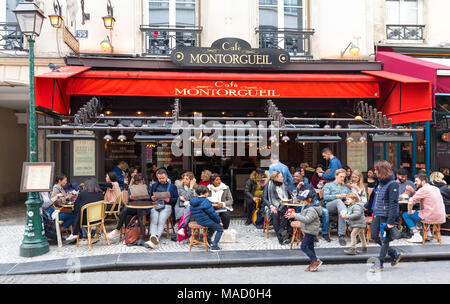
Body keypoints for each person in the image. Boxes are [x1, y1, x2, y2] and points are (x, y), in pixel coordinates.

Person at [369, 160, 403, 273]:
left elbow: (394, 203)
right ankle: (393, 253)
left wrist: (391, 221)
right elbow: (375, 196)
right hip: (377, 213)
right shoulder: (380, 182)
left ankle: (380, 263)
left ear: (382, 171)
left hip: (386, 215)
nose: (374, 172)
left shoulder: (392, 184)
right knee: (374, 236)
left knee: (385, 240)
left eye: (376, 170)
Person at [285, 189, 323, 272]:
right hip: (307, 229)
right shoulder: (306, 206)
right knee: (310, 247)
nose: (301, 201)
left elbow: (307, 219)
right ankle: (313, 262)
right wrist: (293, 215)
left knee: (303, 246)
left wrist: (295, 215)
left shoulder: (312, 209)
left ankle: (316, 261)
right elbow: (302, 215)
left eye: (303, 199)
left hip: (311, 231)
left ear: (309, 199)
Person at [403, 173, 446, 243]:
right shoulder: (435, 188)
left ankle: (416, 235)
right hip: (441, 216)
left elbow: (410, 202)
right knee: (421, 212)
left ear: (423, 182)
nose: (415, 183)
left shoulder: (423, 189)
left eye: (417, 181)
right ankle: (428, 234)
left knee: (406, 215)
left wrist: (410, 211)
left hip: (430, 216)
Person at [107, 174, 152, 241]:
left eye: (140, 182)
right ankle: (118, 229)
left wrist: (146, 196)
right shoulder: (132, 187)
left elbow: (150, 198)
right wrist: (130, 198)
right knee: (125, 209)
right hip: (134, 207)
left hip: (144, 207)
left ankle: (140, 236)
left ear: (143, 180)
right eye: (137, 182)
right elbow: (128, 200)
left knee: (133, 214)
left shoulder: (147, 187)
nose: (139, 183)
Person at [289, 170, 330, 242]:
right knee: (301, 211)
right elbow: (293, 196)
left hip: (313, 205)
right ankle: (303, 233)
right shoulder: (291, 186)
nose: (295, 178)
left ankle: (325, 233)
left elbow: (315, 196)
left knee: (325, 212)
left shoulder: (308, 186)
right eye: (294, 176)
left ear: (302, 178)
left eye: (297, 176)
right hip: (299, 205)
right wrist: (297, 188)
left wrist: (313, 203)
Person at [145, 168, 178, 249]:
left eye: (163, 178)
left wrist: (169, 200)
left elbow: (176, 199)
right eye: (159, 178)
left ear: (166, 176)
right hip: (156, 204)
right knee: (154, 220)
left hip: (167, 205)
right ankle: (153, 237)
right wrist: (152, 198)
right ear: (157, 177)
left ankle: (155, 237)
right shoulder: (154, 185)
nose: (161, 180)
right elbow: (150, 197)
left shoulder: (172, 186)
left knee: (161, 220)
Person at [65, 178, 105, 243]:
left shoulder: (83, 194)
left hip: (86, 220)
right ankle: (93, 229)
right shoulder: (101, 194)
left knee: (79, 212)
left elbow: (76, 207)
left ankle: (75, 233)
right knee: (82, 210)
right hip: (99, 219)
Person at [190, 185, 223, 252]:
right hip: (205, 221)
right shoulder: (206, 201)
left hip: (199, 220)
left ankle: (208, 240)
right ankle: (214, 246)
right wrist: (219, 221)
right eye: (207, 192)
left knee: (214, 225)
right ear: (202, 194)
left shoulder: (193, 200)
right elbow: (212, 214)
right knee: (220, 229)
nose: (208, 194)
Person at [323, 168, 351, 246]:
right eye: (341, 176)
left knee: (341, 212)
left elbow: (351, 196)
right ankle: (349, 221)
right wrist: (337, 196)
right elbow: (326, 197)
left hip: (341, 208)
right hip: (329, 206)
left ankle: (341, 235)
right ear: (336, 176)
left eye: (344, 177)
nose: (342, 179)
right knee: (339, 201)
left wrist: (349, 199)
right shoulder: (328, 185)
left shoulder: (345, 187)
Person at [262, 171, 292, 244]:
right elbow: (264, 198)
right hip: (271, 205)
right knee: (275, 213)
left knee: (287, 212)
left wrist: (290, 199)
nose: (283, 178)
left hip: (283, 204)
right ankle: (280, 235)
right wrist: (271, 206)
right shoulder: (268, 185)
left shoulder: (284, 185)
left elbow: (290, 195)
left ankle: (280, 232)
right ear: (276, 178)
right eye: (281, 177)